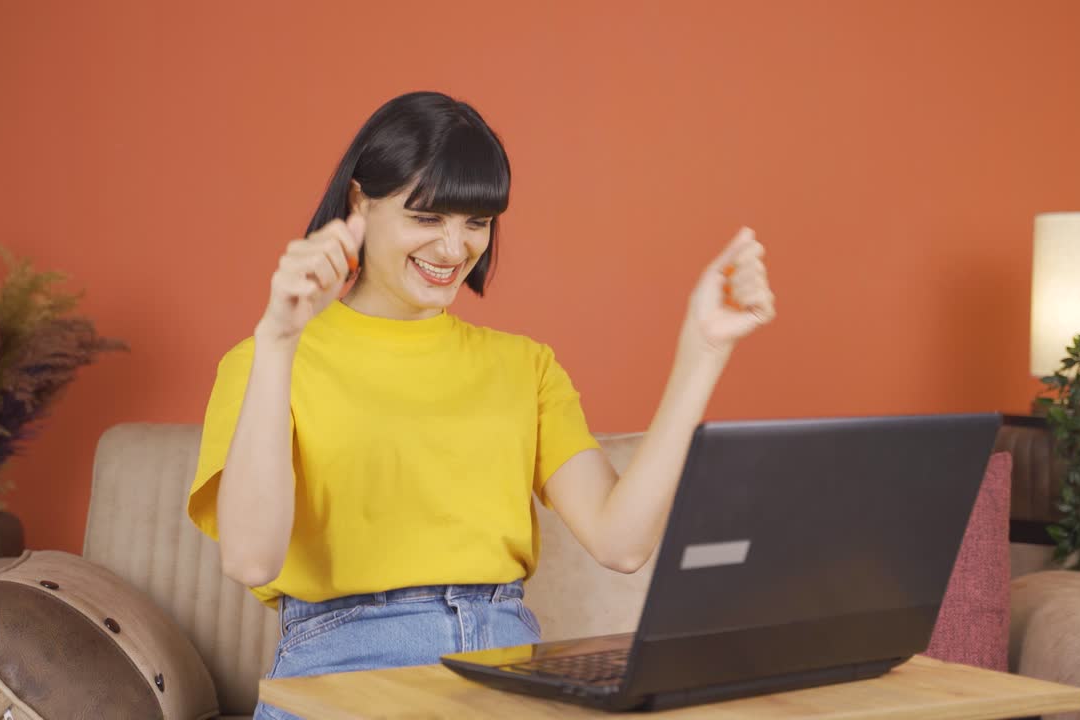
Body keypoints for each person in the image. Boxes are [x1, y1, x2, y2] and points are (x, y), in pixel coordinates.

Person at [186, 91, 775, 719]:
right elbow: (250, 557)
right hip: (344, 674)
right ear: (360, 202)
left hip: (505, 670)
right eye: (428, 218)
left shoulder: (524, 366)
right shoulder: (265, 360)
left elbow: (621, 543)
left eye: (477, 222)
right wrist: (279, 341)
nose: (453, 250)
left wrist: (703, 351)